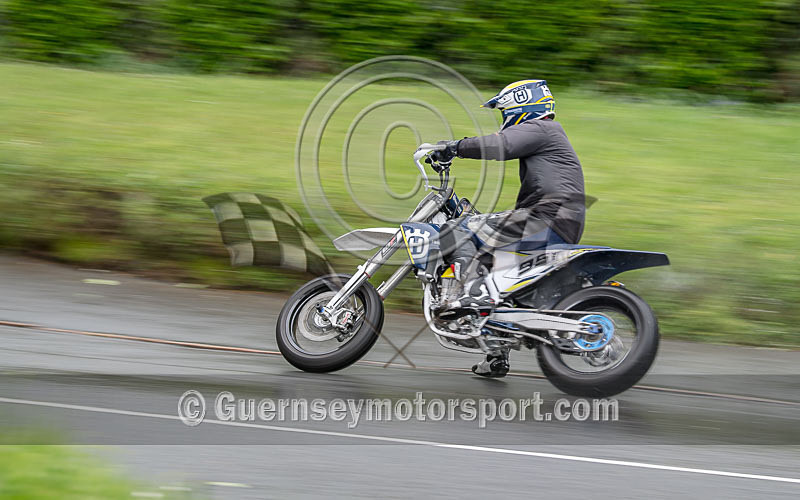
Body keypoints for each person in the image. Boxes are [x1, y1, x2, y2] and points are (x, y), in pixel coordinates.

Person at [430, 79, 586, 378]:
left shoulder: (542, 129)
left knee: (457, 230)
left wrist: (453, 147)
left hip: (546, 217)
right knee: (495, 277)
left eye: (504, 111)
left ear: (522, 105)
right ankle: (496, 356)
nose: (503, 120)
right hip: (553, 220)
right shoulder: (547, 135)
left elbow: (501, 145)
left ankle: (463, 299)